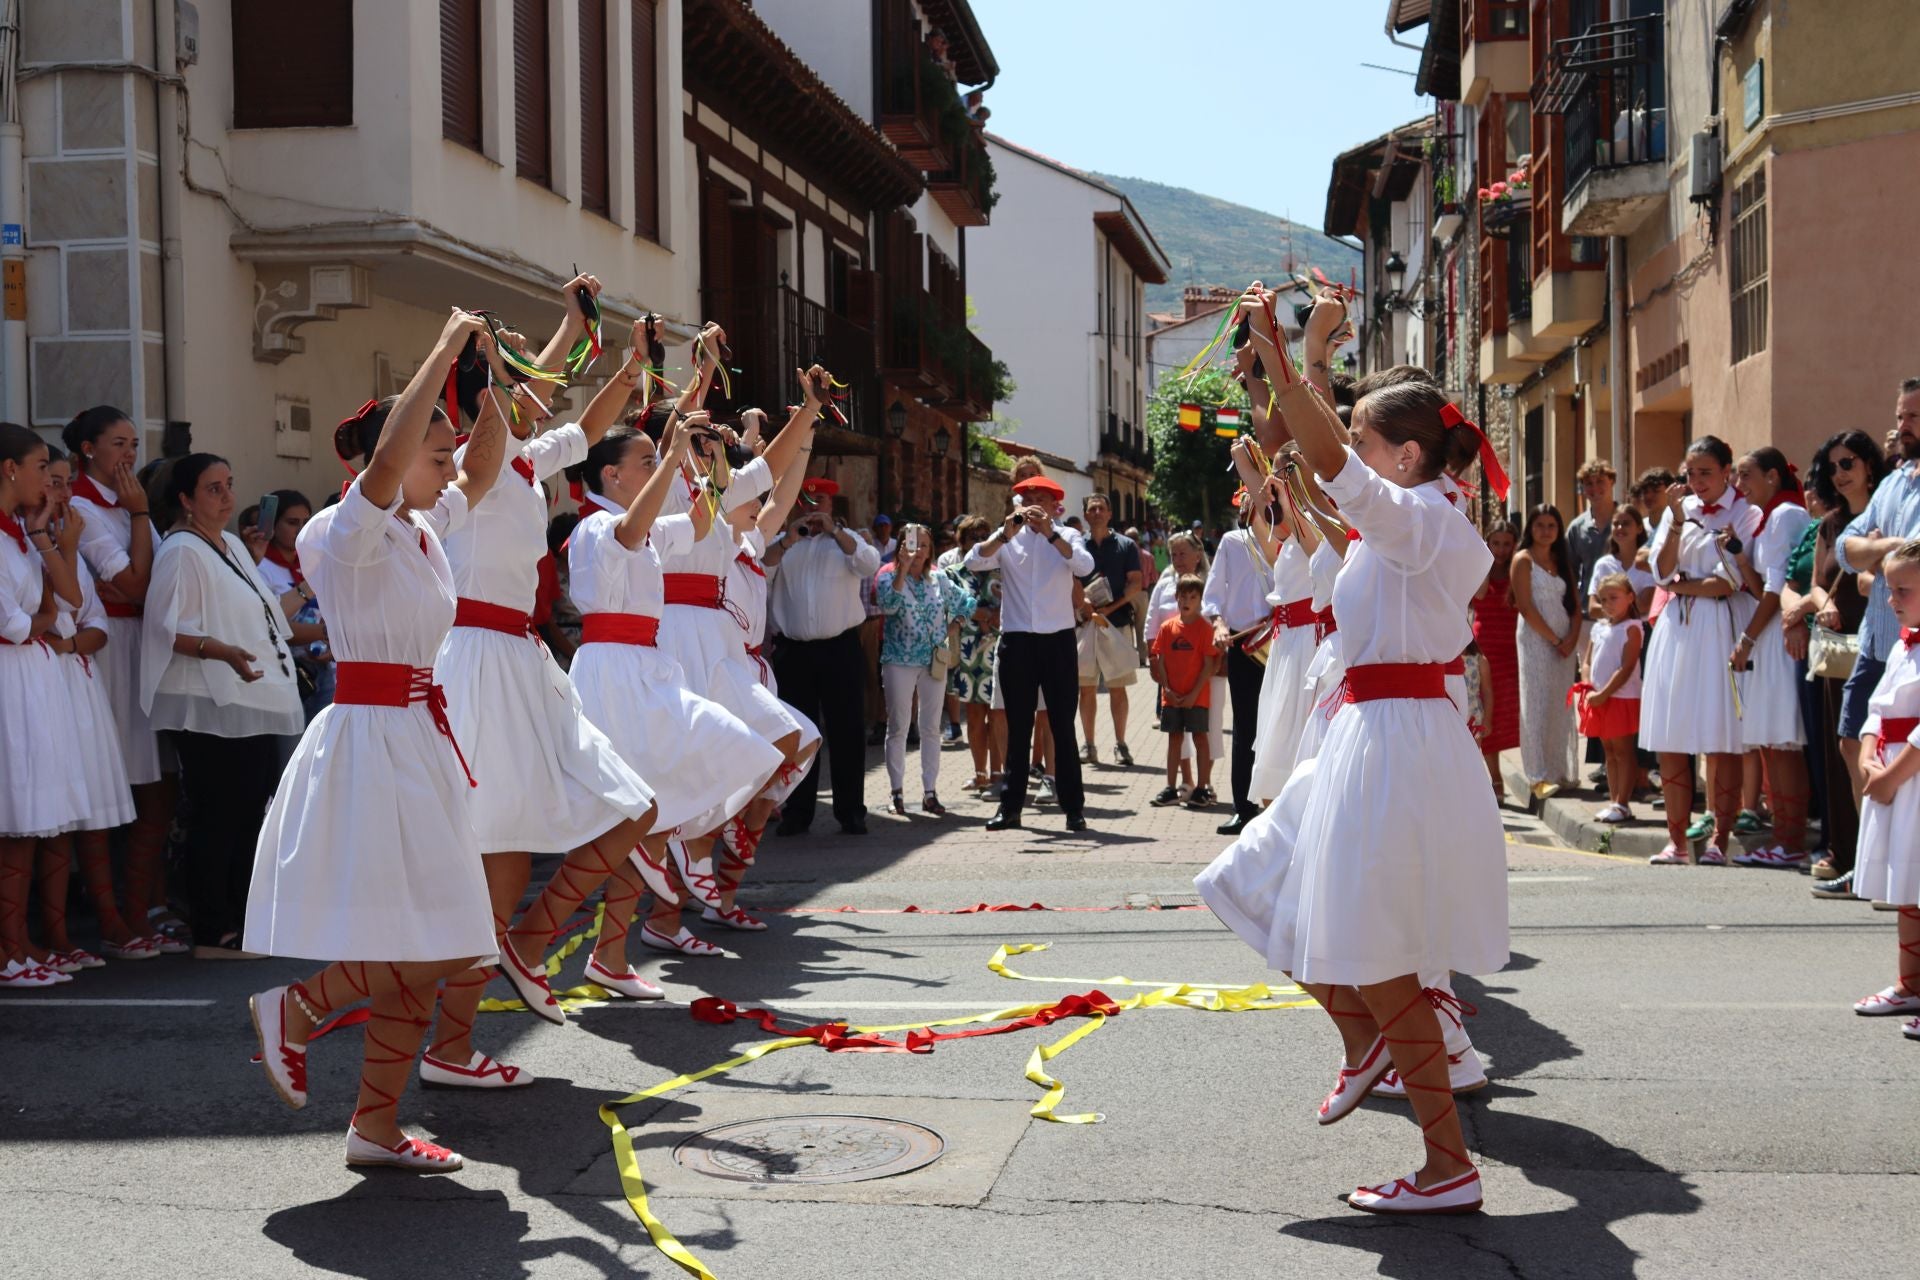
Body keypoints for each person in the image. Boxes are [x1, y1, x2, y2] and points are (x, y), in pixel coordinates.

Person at [1199, 292, 1505, 1214]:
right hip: (1374, 737)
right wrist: (1296, 384)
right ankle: (1397, 1086)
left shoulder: (1423, 520)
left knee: (1379, 952)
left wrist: (1286, 360)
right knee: (1261, 889)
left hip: (1393, 742)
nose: (1356, 460)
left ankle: (1446, 1164)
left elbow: (1337, 469)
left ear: (1405, 455)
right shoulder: (1413, 522)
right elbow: (1336, 484)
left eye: (1371, 446)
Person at [243, 309, 504, 1172]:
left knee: (433, 948)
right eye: (437, 454)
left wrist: (483, 375)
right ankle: (302, 1006)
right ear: (383, 459)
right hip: (373, 739)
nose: (449, 467)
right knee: (436, 942)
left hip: (417, 739)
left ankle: (375, 1128)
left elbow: (490, 463)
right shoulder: (341, 532)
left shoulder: (423, 531)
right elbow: (396, 457)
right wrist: (439, 348)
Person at [423, 292, 679, 1075]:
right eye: (519, 376)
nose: (544, 387)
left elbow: (589, 422)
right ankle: (453, 1044)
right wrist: (503, 366)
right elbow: (515, 408)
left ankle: (530, 945)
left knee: (632, 805)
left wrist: (629, 362)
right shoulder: (472, 461)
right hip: (476, 658)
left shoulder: (526, 461)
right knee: (495, 862)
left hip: (521, 660)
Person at [564, 423, 782, 962]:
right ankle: (660, 868)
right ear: (611, 475)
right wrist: (676, 452)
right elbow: (638, 529)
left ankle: (613, 950)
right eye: (645, 461)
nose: (655, 466)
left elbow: (700, 521)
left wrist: (703, 469)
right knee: (645, 806)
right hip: (614, 670)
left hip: (645, 664)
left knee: (727, 760)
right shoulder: (597, 527)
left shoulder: (637, 524)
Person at [140, 452, 305, 957]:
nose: (228, 496)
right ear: (186, 500)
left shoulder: (231, 543)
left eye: (230, 484)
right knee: (219, 812)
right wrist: (223, 651)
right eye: (213, 488)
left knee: (248, 808)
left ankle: (239, 916)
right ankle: (212, 928)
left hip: (244, 691)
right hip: (206, 698)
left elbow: (264, 613)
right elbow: (168, 628)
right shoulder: (182, 550)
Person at [63, 405, 181, 956]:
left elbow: (157, 581)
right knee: (106, 787)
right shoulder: (85, 506)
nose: (129, 455)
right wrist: (138, 515)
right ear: (87, 448)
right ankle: (110, 919)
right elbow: (135, 584)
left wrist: (138, 518)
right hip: (108, 648)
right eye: (117, 443)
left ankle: (140, 911)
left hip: (144, 648)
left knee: (157, 785)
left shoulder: (131, 508)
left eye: (134, 444)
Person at [32, 447, 136, 974]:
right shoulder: (30, 545)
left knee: (88, 809)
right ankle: (48, 932)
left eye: (65, 483)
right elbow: (48, 617)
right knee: (50, 818)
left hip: (77, 684)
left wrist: (71, 644)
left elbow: (89, 625)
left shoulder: (60, 543)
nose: (62, 494)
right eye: (51, 482)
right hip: (42, 686)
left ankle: (97, 923)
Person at [0, 423, 93, 988]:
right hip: (11, 676)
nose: (50, 480)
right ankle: (9, 950)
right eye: (40, 466)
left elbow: (70, 602)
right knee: (14, 817)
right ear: (10, 468)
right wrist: (37, 621)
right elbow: (14, 624)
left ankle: (19, 943)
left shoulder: (19, 531)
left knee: (30, 819)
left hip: (30, 675)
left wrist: (43, 539)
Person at [1641, 436, 1759, 865]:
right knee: (1671, 734)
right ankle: (1675, 841)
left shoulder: (1746, 513)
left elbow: (1730, 581)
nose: (1696, 481)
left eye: (1705, 472)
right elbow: (1660, 571)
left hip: (1718, 625)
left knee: (1720, 734)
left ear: (1727, 471)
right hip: (1677, 628)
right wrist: (1673, 522)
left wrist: (1683, 585)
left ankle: (1719, 840)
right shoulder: (1681, 512)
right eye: (1690, 473)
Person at [1788, 431, 1888, 896]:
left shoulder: (1885, 512)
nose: (1839, 473)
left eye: (1847, 462)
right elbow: (1813, 582)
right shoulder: (1830, 525)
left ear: (1869, 464)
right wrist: (1818, 603)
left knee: (1877, 751)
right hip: (1836, 647)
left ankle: (1883, 859)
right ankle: (1844, 852)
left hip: (1882, 642)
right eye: (1832, 467)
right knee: (1838, 751)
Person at [968, 470, 1094, 832]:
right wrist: (1003, 534)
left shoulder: (1067, 534)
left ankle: (1073, 808)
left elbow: (1085, 565)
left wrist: (1051, 534)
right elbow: (974, 560)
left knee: (1061, 726)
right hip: (1018, 640)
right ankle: (1010, 808)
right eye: (1027, 499)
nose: (1032, 506)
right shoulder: (1008, 540)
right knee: (1017, 726)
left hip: (1057, 641)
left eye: (1040, 499)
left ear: (1055, 506)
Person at [1834, 380, 1920, 860]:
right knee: (1855, 743)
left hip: (1913, 644)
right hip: (1876, 642)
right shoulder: (1893, 481)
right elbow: (1848, 550)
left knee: (1907, 755)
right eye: (1900, 414)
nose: (1900, 426)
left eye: (1911, 417)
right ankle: (1875, 858)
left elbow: (1908, 565)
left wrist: (1882, 559)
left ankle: (1905, 862)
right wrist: (1884, 548)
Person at [769, 483, 884, 836]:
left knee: (847, 730)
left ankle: (851, 811)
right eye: (804, 499)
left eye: (818, 500)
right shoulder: (784, 540)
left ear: (831, 503)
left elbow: (869, 564)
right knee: (799, 734)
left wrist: (834, 531)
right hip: (795, 650)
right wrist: (789, 539)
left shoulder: (847, 539)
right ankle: (797, 812)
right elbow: (759, 565)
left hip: (839, 648)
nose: (811, 506)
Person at [1728, 447, 1814, 869]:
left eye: (1746, 475)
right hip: (1769, 637)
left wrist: (1746, 639)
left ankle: (1791, 838)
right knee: (1770, 742)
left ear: (1773, 477)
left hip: (1778, 640)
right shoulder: (1769, 518)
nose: (1739, 485)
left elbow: (1776, 591)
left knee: (1783, 742)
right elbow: (1761, 581)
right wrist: (1740, 556)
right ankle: (1781, 837)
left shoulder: (1784, 516)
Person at [1848, 539, 1920, 1030]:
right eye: (1890, 588)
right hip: (1891, 771)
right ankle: (1910, 986)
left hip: (1912, 776)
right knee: (1908, 886)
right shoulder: (1902, 643)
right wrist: (1870, 755)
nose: (1891, 598)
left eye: (1903, 590)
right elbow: (1878, 708)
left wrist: (1892, 777)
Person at [876, 522, 975, 816]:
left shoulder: (939, 579)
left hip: (934, 658)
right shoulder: (888, 577)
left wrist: (955, 624)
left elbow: (966, 601)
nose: (917, 550)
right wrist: (903, 570)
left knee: (931, 727)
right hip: (899, 659)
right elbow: (888, 606)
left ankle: (930, 791)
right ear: (900, 547)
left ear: (931, 550)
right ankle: (896, 792)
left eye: (923, 545)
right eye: (911, 544)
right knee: (899, 727)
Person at [1204, 485, 1284, 831]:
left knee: (1278, 724)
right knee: (1245, 726)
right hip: (1244, 644)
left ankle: (1278, 807)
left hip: (1280, 643)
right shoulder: (1232, 542)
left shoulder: (1289, 540)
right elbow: (1213, 594)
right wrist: (1219, 625)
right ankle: (1244, 806)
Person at [1511, 504, 1580, 795]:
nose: (1546, 531)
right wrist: (1554, 640)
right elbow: (1525, 607)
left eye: (1552, 525)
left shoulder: (1561, 559)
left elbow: (1576, 606)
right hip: (1537, 641)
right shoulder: (1522, 560)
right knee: (1536, 704)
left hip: (1564, 643)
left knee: (1559, 705)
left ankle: (1557, 769)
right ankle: (1538, 775)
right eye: (1540, 525)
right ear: (1531, 528)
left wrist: (1571, 640)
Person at [251, 489, 334, 721]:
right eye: (292, 522)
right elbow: (268, 624)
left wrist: (333, 646)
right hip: (284, 668)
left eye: (307, 522)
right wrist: (328, 633)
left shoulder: (313, 559)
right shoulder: (260, 565)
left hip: (323, 667)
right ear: (273, 525)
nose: (301, 529)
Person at [941, 514, 1005, 796]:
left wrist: (994, 616)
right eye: (973, 537)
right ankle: (980, 774)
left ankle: (998, 774)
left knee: (999, 714)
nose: (979, 542)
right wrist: (981, 614)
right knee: (975, 715)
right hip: (968, 651)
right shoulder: (953, 573)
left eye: (984, 536)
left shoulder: (1004, 569)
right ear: (962, 541)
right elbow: (950, 606)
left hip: (1000, 649)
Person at [1076, 493, 1141, 766]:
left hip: (1117, 623)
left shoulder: (1126, 546)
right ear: (1086, 515)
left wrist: (1109, 609)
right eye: (1092, 508)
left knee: (1118, 687)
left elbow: (1135, 584)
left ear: (1110, 513)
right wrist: (1084, 606)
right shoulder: (1077, 546)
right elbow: (1069, 579)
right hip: (1085, 624)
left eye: (1102, 508)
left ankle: (1121, 744)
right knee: (1086, 687)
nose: (1098, 512)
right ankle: (1088, 745)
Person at [1147, 529, 1210, 804]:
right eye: (1174, 554)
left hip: (1199, 690)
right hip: (1171, 688)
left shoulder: (1205, 620)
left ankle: (1203, 786)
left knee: (1201, 736)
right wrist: (1166, 686)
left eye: (1183, 553)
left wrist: (1195, 691)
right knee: (1174, 738)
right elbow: (1154, 637)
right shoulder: (1164, 589)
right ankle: (1175, 785)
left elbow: (1210, 659)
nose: (1177, 558)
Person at [1577, 574, 1645, 824]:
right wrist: (1588, 687)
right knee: (1610, 752)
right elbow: (1587, 661)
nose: (1608, 603)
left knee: (1623, 751)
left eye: (1614, 598)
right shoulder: (1599, 627)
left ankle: (1623, 802)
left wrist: (1604, 692)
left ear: (1630, 597)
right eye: (1603, 599)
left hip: (1620, 697)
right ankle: (1614, 800)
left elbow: (1626, 667)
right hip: (1598, 697)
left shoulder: (1632, 628)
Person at [1470, 522, 1521, 801]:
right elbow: (1478, 594)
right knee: (1489, 712)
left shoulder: (1518, 570)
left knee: (1510, 714)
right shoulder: (1482, 569)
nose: (1501, 550)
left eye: (1506, 544)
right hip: (1487, 648)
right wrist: (1484, 560)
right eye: (1495, 543)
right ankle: (1496, 779)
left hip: (1513, 648)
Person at [1588, 506, 1656, 618]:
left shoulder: (1648, 563)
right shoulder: (1603, 564)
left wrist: (1609, 608)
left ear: (1639, 528)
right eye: (1615, 524)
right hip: (1610, 631)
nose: (1620, 527)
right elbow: (1593, 609)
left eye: (1626, 523)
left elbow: (1644, 606)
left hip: (1641, 631)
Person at [1566, 460, 1617, 602]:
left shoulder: (1627, 521)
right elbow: (1570, 573)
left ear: (1612, 481)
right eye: (1588, 483)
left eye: (1600, 481)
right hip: (1587, 613)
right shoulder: (1576, 528)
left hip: (1624, 613)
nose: (1595, 488)